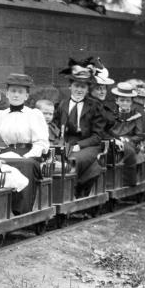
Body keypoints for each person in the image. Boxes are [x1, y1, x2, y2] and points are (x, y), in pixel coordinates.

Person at [0, 73, 49, 213]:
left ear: (26, 96)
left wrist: (28, 155)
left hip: (28, 154)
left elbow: (41, 143)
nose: (16, 95)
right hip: (7, 153)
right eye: (13, 91)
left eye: (20, 92)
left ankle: (21, 212)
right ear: (7, 94)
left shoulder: (34, 115)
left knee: (25, 165)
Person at [53, 63, 106, 197]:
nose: (79, 90)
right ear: (70, 86)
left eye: (83, 87)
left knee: (74, 160)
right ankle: (55, 196)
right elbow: (56, 128)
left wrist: (79, 145)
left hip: (89, 145)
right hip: (66, 144)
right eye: (76, 86)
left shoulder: (95, 106)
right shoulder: (62, 105)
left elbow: (97, 136)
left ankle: (72, 194)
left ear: (88, 89)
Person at [108, 82, 145, 186]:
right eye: (122, 100)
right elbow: (107, 130)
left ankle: (129, 181)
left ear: (131, 102)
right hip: (113, 141)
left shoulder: (136, 116)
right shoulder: (111, 114)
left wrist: (129, 140)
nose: (125, 103)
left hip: (130, 143)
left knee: (129, 151)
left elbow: (139, 135)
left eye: (128, 101)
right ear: (116, 101)